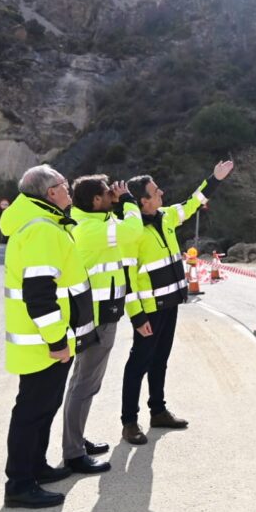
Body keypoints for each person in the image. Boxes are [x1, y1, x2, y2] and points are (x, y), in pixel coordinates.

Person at [0, 165, 94, 509]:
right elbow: (39, 294)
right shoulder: (42, 230)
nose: (69, 190)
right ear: (49, 193)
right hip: (43, 344)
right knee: (31, 412)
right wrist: (57, 341)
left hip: (44, 342)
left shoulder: (47, 223)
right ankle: (20, 484)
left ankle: (35, 468)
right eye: (64, 185)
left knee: (42, 408)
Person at [120, 161, 234, 445]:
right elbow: (128, 280)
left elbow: (194, 202)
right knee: (138, 364)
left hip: (170, 304)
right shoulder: (131, 232)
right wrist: (137, 317)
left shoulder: (167, 216)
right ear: (143, 200)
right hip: (148, 311)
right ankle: (129, 422)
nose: (162, 194)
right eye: (156, 192)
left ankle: (158, 411)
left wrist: (214, 179)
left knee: (160, 360)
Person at [61, 175, 144, 475]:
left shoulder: (89, 220)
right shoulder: (96, 228)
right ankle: (73, 452)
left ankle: (76, 441)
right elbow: (134, 231)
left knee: (81, 382)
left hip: (95, 313)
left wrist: (118, 203)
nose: (114, 194)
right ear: (96, 201)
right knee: (85, 384)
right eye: (108, 192)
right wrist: (130, 200)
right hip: (97, 317)